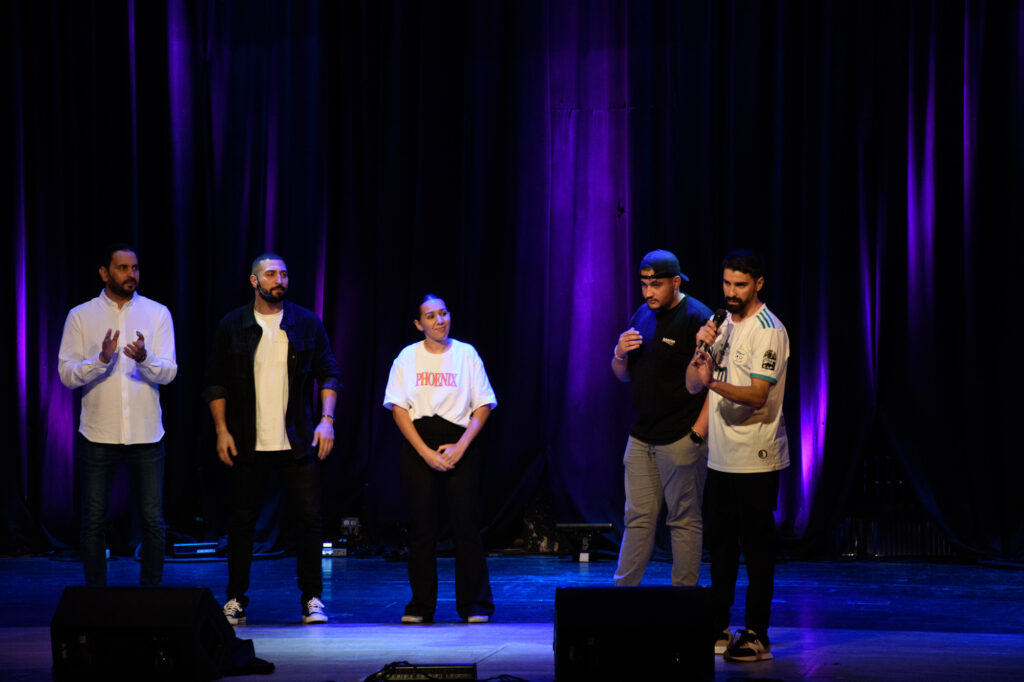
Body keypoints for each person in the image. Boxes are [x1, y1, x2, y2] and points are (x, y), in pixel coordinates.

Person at [203, 253, 340, 625]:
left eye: (284, 273)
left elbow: (329, 372)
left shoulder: (306, 322)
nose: (279, 279)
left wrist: (327, 420)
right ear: (254, 281)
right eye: (271, 274)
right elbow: (215, 383)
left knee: (309, 520)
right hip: (248, 440)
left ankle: (312, 598)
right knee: (242, 521)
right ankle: (235, 598)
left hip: (296, 440)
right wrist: (222, 429)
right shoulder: (233, 324)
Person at [686, 248, 789, 662]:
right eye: (727, 283)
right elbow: (693, 384)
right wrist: (700, 351)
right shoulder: (722, 325)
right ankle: (718, 625)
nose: (731, 292)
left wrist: (713, 383)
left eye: (740, 285)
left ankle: (757, 634)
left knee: (757, 549)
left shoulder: (770, 330)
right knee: (721, 547)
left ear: (758, 284)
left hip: (756, 456)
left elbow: (758, 395)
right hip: (721, 457)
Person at [58, 243, 177, 586]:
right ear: (104, 273)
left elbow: (169, 372)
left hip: (146, 434)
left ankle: (151, 597)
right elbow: (66, 375)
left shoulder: (157, 313)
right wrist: (100, 361)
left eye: (135, 268)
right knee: (94, 521)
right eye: (123, 268)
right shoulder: (81, 316)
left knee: (153, 521)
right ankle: (96, 598)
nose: (131, 274)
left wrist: (144, 358)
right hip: (98, 434)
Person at [383, 294, 497, 624]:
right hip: (420, 445)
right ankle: (421, 605)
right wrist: (424, 452)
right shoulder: (407, 357)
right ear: (419, 324)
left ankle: (475, 603)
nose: (439, 320)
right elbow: (399, 409)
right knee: (421, 528)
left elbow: (483, 405)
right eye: (431, 316)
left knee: (466, 526)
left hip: (460, 442)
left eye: (443, 313)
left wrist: (461, 446)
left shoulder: (466, 354)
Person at [611, 249, 713, 587]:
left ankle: (684, 600)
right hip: (642, 436)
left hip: (680, 436)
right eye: (644, 284)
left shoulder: (697, 318)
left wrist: (697, 432)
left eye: (656, 285)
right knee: (637, 518)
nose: (648, 292)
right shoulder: (643, 313)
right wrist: (618, 354)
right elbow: (623, 375)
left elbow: (713, 384)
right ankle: (622, 595)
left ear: (676, 282)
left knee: (683, 520)